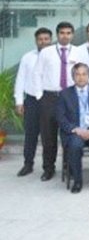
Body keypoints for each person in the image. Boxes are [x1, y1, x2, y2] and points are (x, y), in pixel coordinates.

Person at [31, 21, 88, 181]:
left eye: (69, 33)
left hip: (70, 97)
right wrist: (39, 95)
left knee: (69, 134)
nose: (65, 36)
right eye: (62, 33)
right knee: (48, 137)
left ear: (73, 35)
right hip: (49, 97)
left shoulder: (79, 52)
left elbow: (84, 74)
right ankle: (48, 169)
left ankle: (69, 167)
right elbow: (37, 73)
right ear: (57, 35)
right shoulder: (47, 52)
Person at [56, 63, 89, 193]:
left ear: (88, 76)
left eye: (84, 74)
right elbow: (61, 118)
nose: (81, 77)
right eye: (77, 74)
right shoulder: (64, 94)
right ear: (73, 77)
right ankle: (77, 181)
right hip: (75, 132)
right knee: (75, 145)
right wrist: (76, 129)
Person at [15, 27, 52, 178]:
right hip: (31, 100)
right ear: (36, 40)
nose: (43, 42)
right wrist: (19, 101)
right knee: (31, 134)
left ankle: (48, 168)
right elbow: (20, 80)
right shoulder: (27, 57)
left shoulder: (56, 56)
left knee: (48, 136)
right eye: (40, 39)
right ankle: (28, 164)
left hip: (50, 99)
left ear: (51, 39)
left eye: (46, 39)